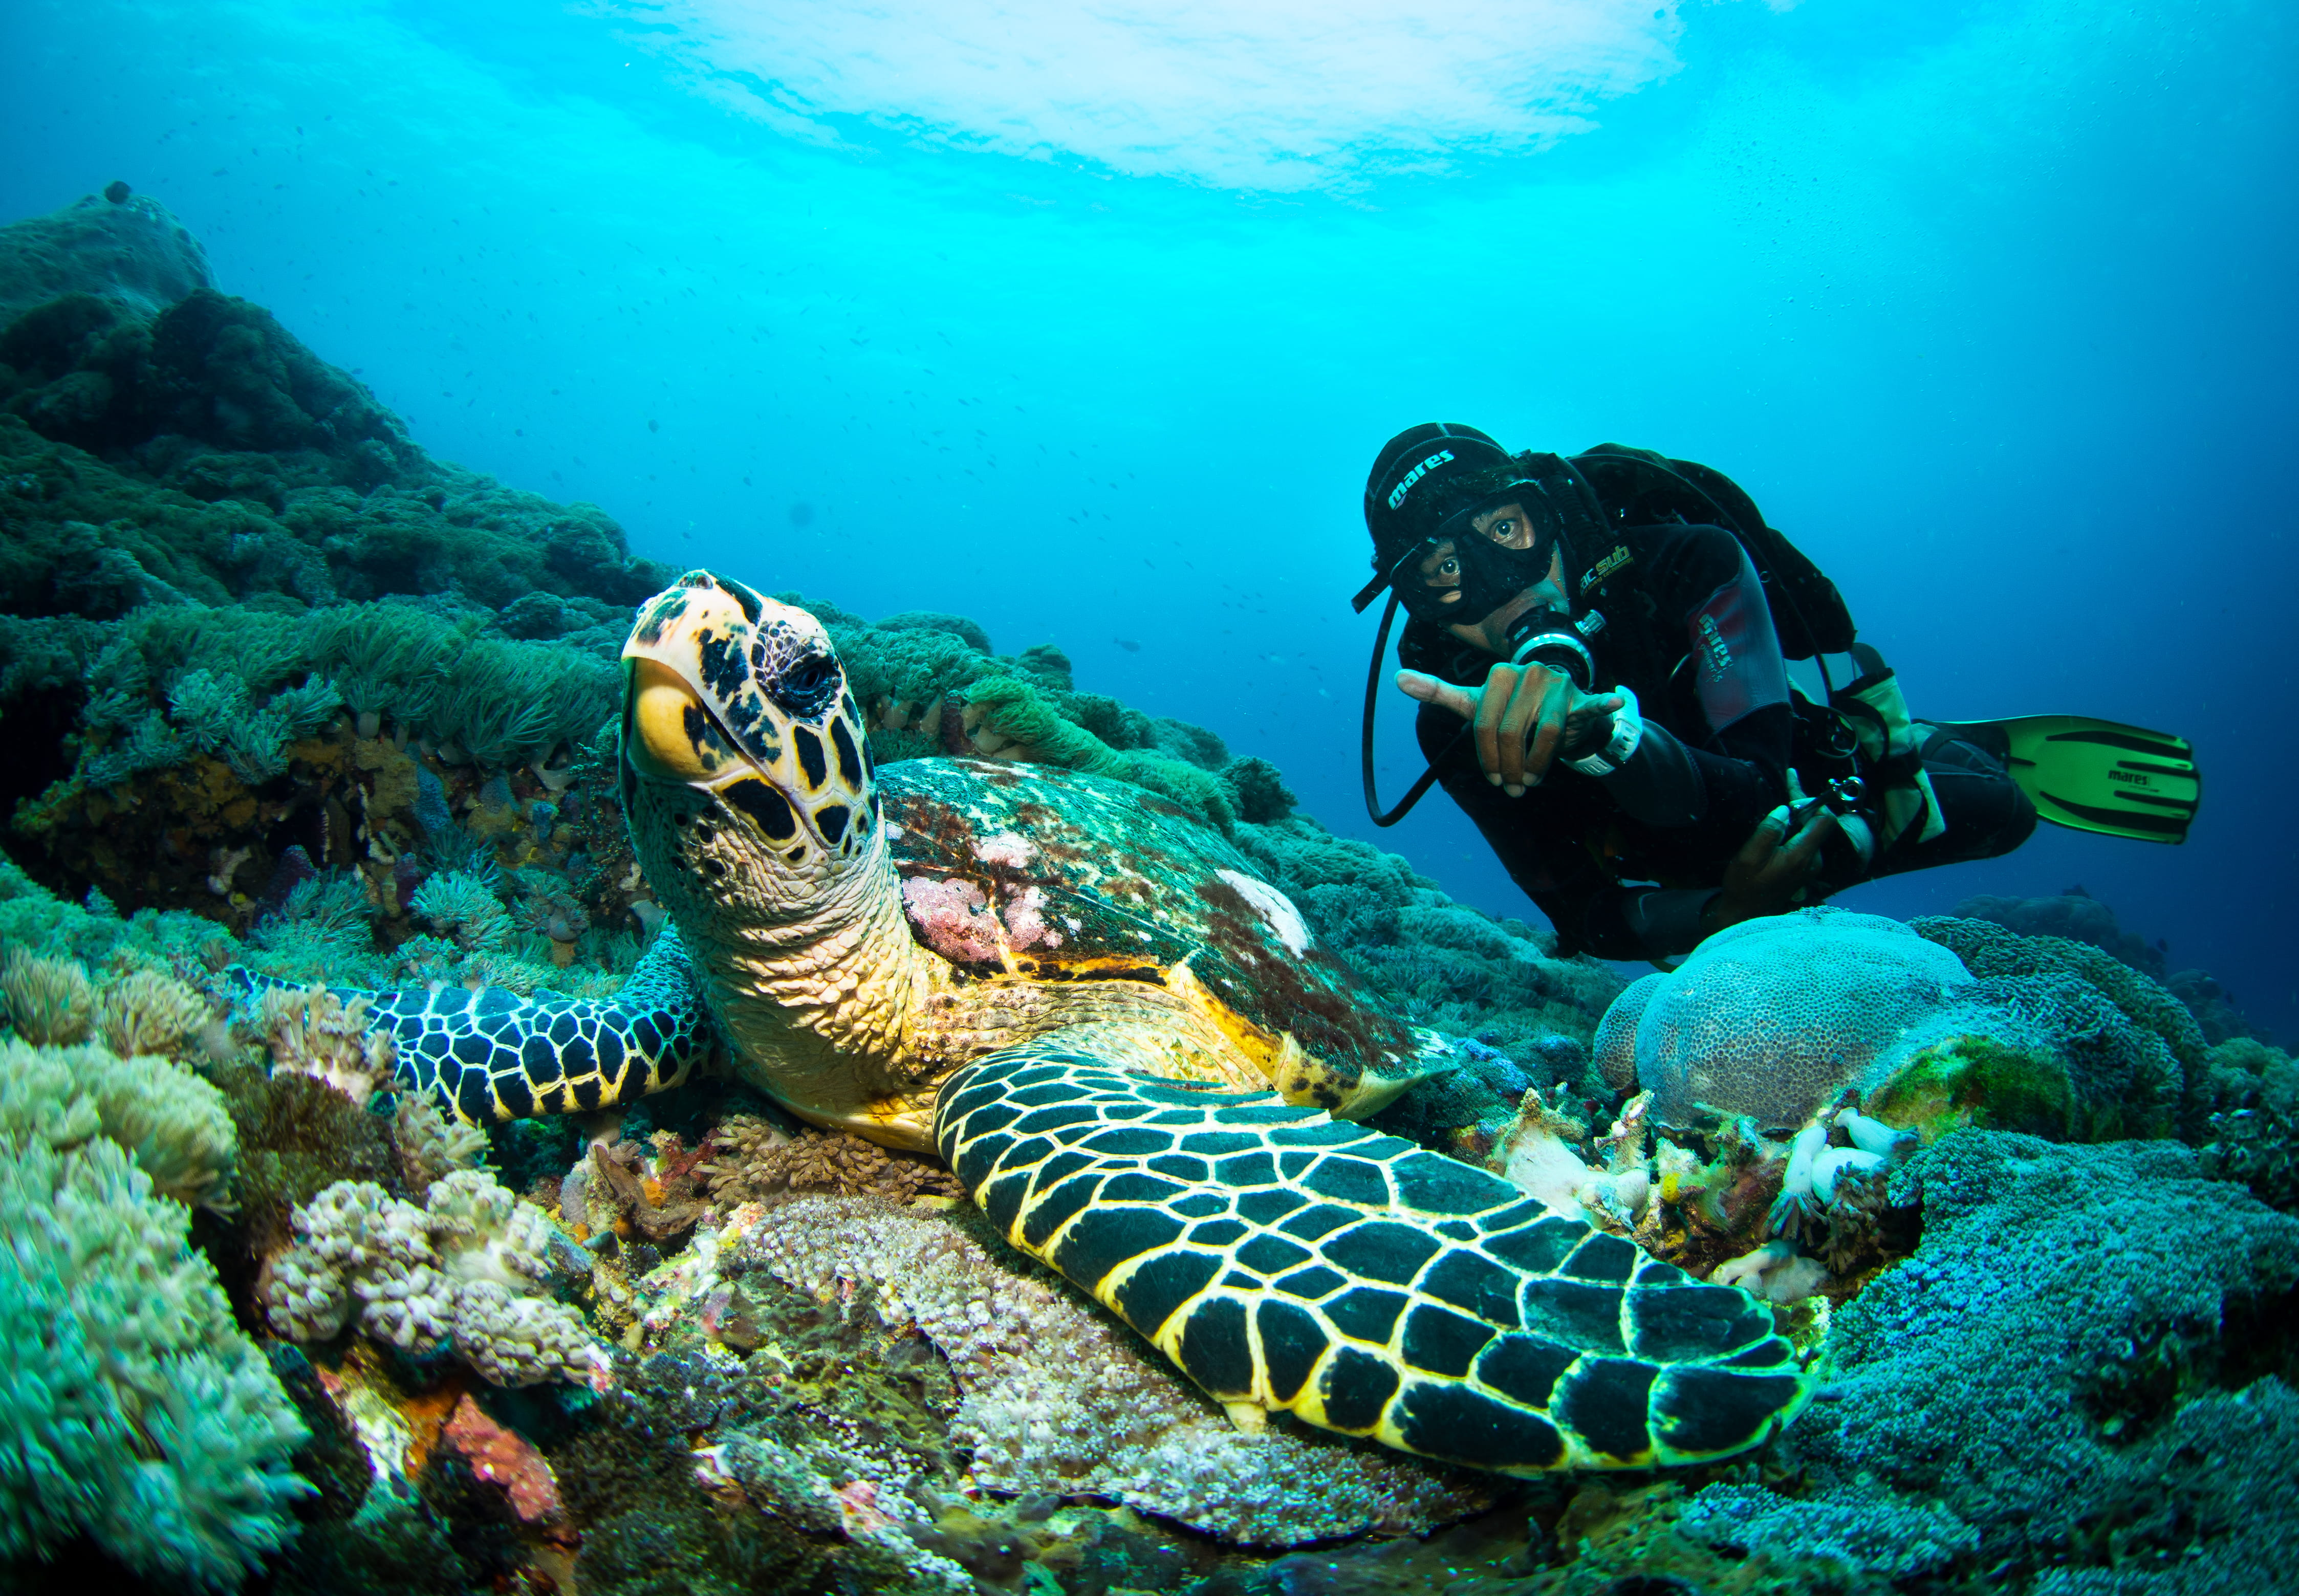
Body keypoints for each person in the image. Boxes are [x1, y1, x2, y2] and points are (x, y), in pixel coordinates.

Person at [1351, 424, 2042, 963]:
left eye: (1506, 530)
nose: (1502, 586)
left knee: (2004, 811)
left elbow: (1763, 797)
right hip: (1700, 880)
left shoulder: (1687, 563)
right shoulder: (1451, 726)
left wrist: (1604, 740)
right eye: (1444, 571)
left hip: (1793, 783)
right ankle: (1908, 743)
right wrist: (1722, 915)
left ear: (1550, 514)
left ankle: (1904, 743)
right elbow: (1585, 917)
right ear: (1419, 605)